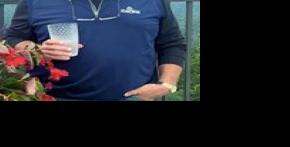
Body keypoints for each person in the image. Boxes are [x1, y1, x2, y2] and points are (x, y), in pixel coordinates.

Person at [6, 0, 186, 101]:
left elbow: (172, 43)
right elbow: (13, 39)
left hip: (134, 97)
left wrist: (166, 84)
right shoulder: (35, 2)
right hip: (56, 97)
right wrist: (37, 49)